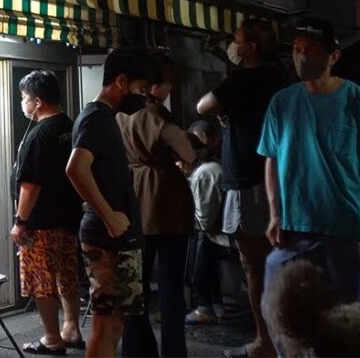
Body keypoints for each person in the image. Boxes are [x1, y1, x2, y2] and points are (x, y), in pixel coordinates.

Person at [258, 19, 360, 311]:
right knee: (281, 310)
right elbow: (272, 160)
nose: (302, 56)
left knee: (345, 318)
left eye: (311, 49)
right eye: (297, 49)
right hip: (294, 226)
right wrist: (275, 213)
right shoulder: (281, 103)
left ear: (333, 56)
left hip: (344, 226)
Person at [196, 19, 289, 358]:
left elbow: (202, 106)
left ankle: (267, 341)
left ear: (249, 47)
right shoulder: (281, 77)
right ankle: (283, 340)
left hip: (250, 179)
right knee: (280, 262)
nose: (232, 46)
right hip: (275, 176)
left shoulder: (245, 78)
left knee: (257, 265)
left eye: (235, 41)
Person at [66, 48, 151, 358]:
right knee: (106, 323)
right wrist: (110, 215)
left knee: (115, 324)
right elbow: (75, 168)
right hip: (107, 237)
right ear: (121, 81)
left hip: (118, 236)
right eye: (140, 89)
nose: (142, 97)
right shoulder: (97, 118)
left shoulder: (104, 119)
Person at [118, 52, 197, 358]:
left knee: (132, 287)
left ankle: (136, 350)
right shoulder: (160, 117)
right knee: (171, 290)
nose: (170, 89)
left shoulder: (121, 114)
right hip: (167, 202)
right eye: (168, 83)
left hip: (132, 200)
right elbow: (188, 153)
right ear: (155, 86)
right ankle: (174, 352)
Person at [10, 70, 85, 355]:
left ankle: (52, 338)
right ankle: (72, 329)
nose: (23, 103)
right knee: (67, 274)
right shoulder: (70, 126)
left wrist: (20, 221)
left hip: (40, 224)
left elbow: (31, 184)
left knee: (41, 280)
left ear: (38, 101)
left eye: (24, 98)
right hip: (68, 220)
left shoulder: (40, 134)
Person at [185, 119, 232, 325]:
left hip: (218, 232)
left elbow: (204, 218)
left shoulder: (205, 172)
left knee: (201, 265)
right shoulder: (214, 166)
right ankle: (217, 306)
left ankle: (206, 308)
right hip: (222, 230)